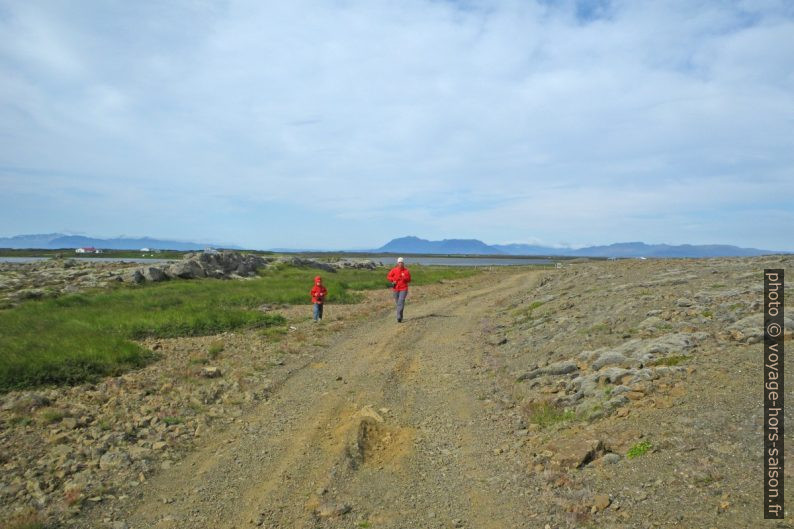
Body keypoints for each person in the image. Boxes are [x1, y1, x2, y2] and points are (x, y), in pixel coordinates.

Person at [386, 257, 411, 322]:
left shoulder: (406, 271)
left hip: (404, 288)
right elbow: (388, 276)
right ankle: (401, 316)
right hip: (396, 288)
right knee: (398, 303)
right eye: (399, 262)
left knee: (401, 301)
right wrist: (393, 280)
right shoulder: (394, 270)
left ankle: (398, 317)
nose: (400, 264)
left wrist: (404, 277)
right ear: (397, 263)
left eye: (401, 262)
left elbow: (409, 280)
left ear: (403, 263)